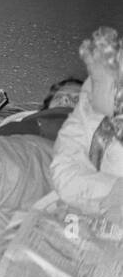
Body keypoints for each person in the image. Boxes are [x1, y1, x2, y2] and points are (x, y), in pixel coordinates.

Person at [50, 27, 123, 212]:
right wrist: (112, 190)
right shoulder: (87, 104)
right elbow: (63, 168)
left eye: (96, 80)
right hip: (92, 210)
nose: (86, 88)